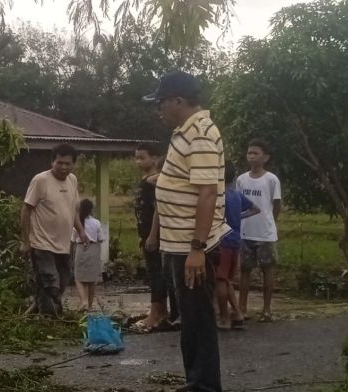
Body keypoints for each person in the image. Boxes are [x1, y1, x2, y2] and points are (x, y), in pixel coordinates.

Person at [144, 70, 229, 392]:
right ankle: (196, 381)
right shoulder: (185, 132)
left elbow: (208, 192)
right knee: (190, 319)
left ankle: (205, 385)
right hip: (177, 243)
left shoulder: (202, 133)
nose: (158, 109)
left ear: (178, 100)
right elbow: (188, 180)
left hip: (191, 246)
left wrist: (197, 248)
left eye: (161, 102)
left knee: (198, 319)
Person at [21, 143, 89, 316]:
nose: (63, 167)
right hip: (42, 243)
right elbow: (26, 210)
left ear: (73, 164)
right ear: (52, 162)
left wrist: (81, 230)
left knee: (63, 280)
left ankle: (32, 314)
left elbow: (72, 209)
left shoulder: (72, 180)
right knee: (51, 282)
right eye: (59, 163)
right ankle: (52, 319)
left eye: (68, 163)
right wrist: (26, 241)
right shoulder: (40, 180)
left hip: (64, 243)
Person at [237, 139, 282, 323]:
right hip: (245, 231)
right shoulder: (241, 179)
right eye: (249, 153)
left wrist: (269, 221)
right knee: (245, 270)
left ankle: (267, 309)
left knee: (268, 270)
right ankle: (242, 308)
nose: (251, 156)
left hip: (265, 233)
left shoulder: (271, 179)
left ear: (265, 157)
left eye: (255, 153)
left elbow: (276, 204)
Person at [132, 143, 175, 332]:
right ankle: (161, 311)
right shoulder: (147, 180)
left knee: (157, 274)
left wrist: (152, 235)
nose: (138, 161)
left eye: (142, 157)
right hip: (145, 233)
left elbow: (159, 209)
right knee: (155, 273)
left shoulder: (154, 181)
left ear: (155, 159)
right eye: (136, 158)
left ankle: (156, 313)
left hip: (154, 235)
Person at [217, 162, 260, 330]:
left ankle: (225, 317)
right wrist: (239, 217)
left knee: (219, 280)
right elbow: (256, 209)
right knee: (227, 280)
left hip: (221, 241)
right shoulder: (236, 195)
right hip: (235, 240)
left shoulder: (219, 196)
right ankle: (237, 313)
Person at [72, 199, 105, 312]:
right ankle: (90, 306)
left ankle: (83, 300)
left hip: (81, 249)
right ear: (91, 210)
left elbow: (73, 239)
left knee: (78, 277)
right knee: (92, 280)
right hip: (94, 249)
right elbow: (101, 238)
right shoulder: (96, 223)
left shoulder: (77, 223)